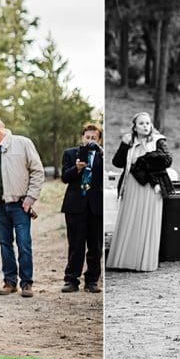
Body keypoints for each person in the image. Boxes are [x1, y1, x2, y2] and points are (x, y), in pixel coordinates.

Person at [0, 117, 45, 297]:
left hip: (20, 204)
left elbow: (37, 171)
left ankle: (27, 284)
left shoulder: (23, 143)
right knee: (4, 244)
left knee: (24, 243)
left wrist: (30, 198)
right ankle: (10, 282)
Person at [106, 111, 171, 273]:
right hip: (131, 185)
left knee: (147, 221)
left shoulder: (158, 140)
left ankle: (144, 262)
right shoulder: (130, 141)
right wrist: (123, 144)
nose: (145, 126)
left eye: (148, 123)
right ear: (134, 127)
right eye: (141, 123)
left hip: (150, 186)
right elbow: (117, 163)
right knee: (129, 221)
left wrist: (144, 159)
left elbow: (167, 160)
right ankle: (125, 260)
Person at [60, 124, 104, 292]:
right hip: (75, 205)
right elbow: (65, 177)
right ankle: (71, 279)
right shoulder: (70, 154)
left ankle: (92, 280)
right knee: (76, 244)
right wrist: (76, 169)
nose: (90, 141)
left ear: (99, 140)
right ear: (82, 138)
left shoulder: (102, 155)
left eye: (94, 138)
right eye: (88, 137)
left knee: (95, 245)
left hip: (96, 206)